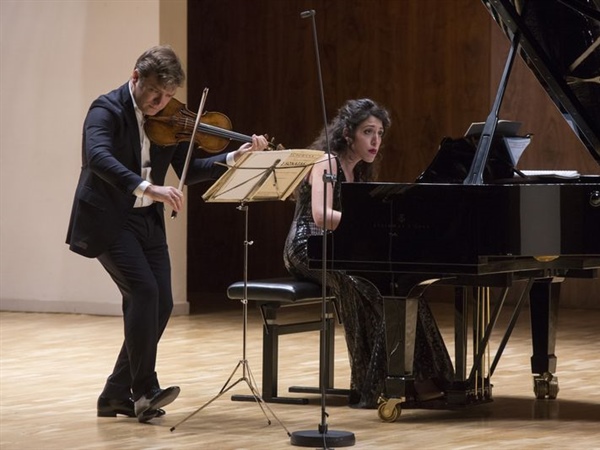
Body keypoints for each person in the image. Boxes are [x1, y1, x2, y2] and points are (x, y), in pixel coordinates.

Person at [66, 45, 269, 422]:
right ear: (136, 78)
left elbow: (188, 170)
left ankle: (114, 394)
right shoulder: (105, 110)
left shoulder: (170, 120)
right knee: (143, 292)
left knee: (160, 304)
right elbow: (97, 158)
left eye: (168, 97)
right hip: (110, 219)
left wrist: (232, 158)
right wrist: (148, 188)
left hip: (148, 222)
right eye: (155, 94)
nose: (160, 104)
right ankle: (144, 390)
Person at [283, 98, 454, 408]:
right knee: (359, 287)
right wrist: (364, 225)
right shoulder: (328, 163)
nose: (376, 140)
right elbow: (320, 216)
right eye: (368, 132)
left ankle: (420, 376)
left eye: (380, 132)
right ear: (348, 134)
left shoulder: (359, 172)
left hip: (339, 248)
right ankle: (370, 384)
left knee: (402, 288)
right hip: (308, 247)